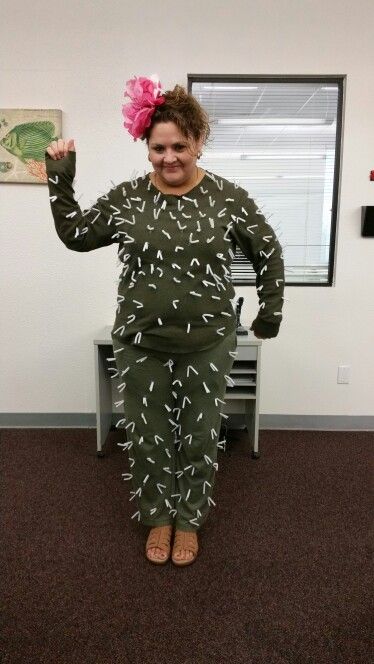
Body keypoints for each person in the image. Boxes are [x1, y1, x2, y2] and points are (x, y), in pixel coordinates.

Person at [45, 74, 285, 567]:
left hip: (208, 341)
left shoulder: (228, 198)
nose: (169, 157)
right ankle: (157, 516)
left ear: (198, 141)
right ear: (145, 146)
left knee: (198, 436)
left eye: (180, 145)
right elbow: (75, 235)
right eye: (158, 147)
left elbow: (269, 253)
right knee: (148, 433)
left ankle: (190, 520)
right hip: (139, 341)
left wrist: (270, 310)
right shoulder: (129, 198)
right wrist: (59, 177)